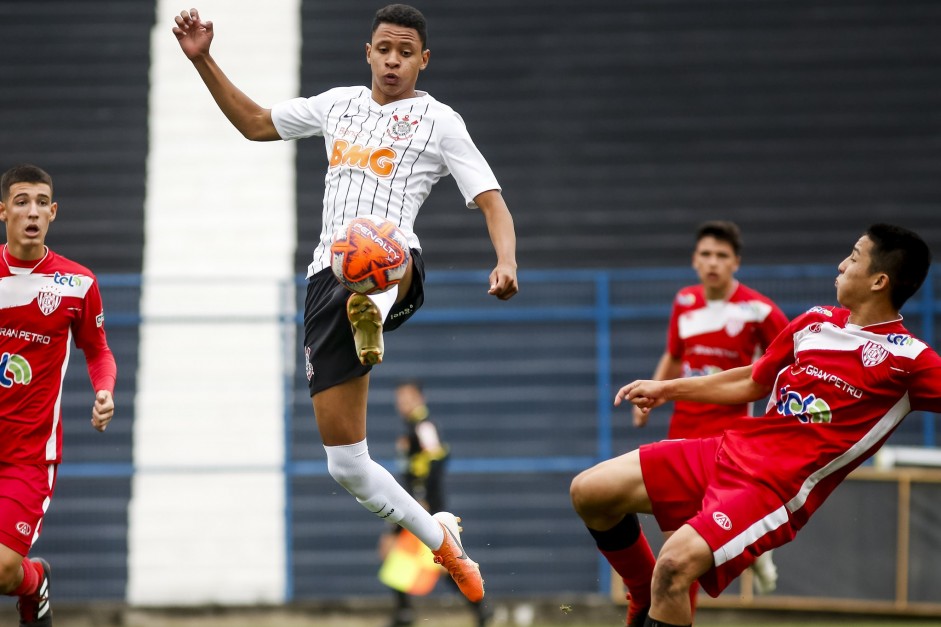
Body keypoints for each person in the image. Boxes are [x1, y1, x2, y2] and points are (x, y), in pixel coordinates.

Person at [172, 4, 518, 602]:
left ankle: (375, 311)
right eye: (384, 48)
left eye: (406, 52)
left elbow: (490, 198)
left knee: (373, 255)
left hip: (396, 263)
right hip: (325, 285)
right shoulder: (337, 105)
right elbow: (255, 122)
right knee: (346, 465)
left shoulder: (439, 122)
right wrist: (204, 60)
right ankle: (442, 541)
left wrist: (506, 260)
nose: (393, 60)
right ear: (368, 52)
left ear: (423, 61)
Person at [571, 223, 938, 627]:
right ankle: (641, 594)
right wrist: (668, 389)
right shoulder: (815, 321)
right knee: (590, 492)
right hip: (727, 450)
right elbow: (752, 380)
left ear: (878, 281)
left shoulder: (911, 361)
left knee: (674, 565)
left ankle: (660, 590)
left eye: (852, 257)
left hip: (771, 490)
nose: (841, 264)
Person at [632, 221, 788, 604]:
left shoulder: (759, 309)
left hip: (730, 435)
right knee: (677, 547)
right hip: (683, 427)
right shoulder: (684, 301)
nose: (712, 262)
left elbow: (788, 361)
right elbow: (673, 354)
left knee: (715, 523)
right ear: (694, 261)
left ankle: (755, 549)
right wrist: (651, 395)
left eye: (722, 255)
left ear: (736, 262)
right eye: (706, 254)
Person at [0, 164, 117, 627]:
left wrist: (104, 391)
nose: (33, 211)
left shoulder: (78, 283)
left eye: (42, 202)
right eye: (22, 201)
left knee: (4, 570)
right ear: (3, 211)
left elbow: (98, 349)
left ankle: (34, 582)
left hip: (30, 454)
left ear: (54, 212)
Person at [378, 381, 490, 627]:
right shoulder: (412, 429)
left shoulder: (424, 426)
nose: (403, 404)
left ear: (421, 398)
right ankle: (405, 612)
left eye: (408, 398)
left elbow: (437, 460)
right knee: (406, 556)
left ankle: (478, 608)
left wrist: (423, 496)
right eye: (400, 399)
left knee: (436, 560)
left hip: (422, 507)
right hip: (413, 505)